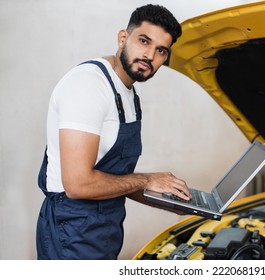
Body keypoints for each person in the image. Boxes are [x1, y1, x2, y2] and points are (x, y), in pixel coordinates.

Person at [36, 4, 191, 260]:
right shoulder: (89, 86)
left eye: (161, 50)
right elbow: (77, 184)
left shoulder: (128, 93)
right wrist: (146, 180)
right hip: (71, 229)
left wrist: (171, 201)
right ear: (123, 38)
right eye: (144, 41)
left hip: (103, 228)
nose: (149, 55)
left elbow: (115, 179)